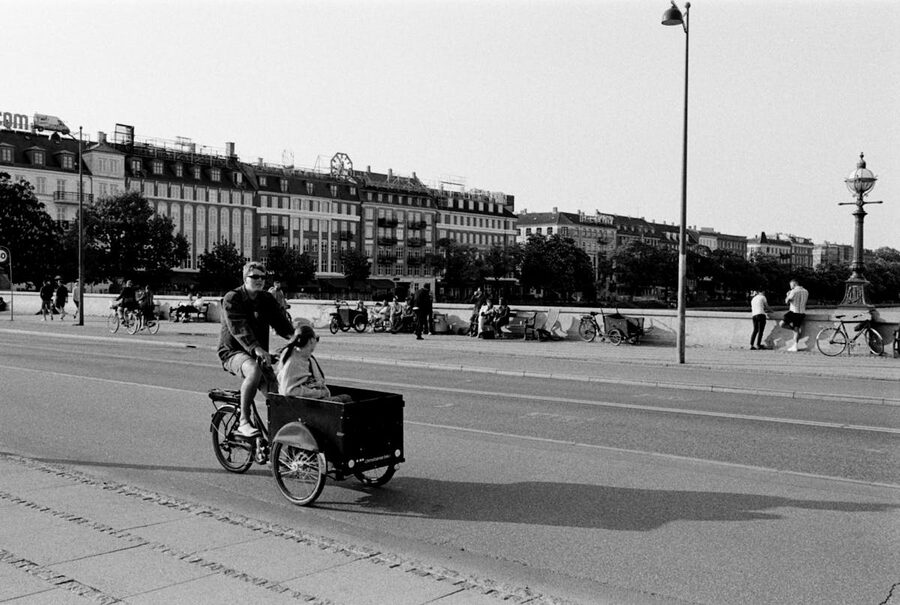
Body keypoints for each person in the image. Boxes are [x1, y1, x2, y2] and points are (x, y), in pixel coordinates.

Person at [217, 261, 294, 438]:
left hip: (259, 355)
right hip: (232, 352)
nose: (259, 280)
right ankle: (244, 421)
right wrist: (256, 348)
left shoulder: (266, 299)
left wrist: (298, 338)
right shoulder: (232, 298)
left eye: (263, 277)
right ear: (245, 278)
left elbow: (281, 323)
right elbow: (238, 327)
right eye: (255, 277)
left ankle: (276, 439)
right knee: (253, 369)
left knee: (277, 395)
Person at [276, 322, 352, 403]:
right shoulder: (293, 362)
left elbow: (318, 381)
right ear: (311, 341)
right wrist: (319, 393)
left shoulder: (308, 358)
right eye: (316, 339)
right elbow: (288, 391)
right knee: (342, 401)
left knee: (346, 397)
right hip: (306, 403)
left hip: (312, 399)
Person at [782, 278, 809, 351]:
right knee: (797, 329)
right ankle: (795, 346)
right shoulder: (806, 291)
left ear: (794, 284)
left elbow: (787, 301)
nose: (790, 286)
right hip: (801, 313)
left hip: (793, 312)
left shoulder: (793, 291)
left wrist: (787, 295)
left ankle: (794, 330)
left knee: (782, 324)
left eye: (790, 285)